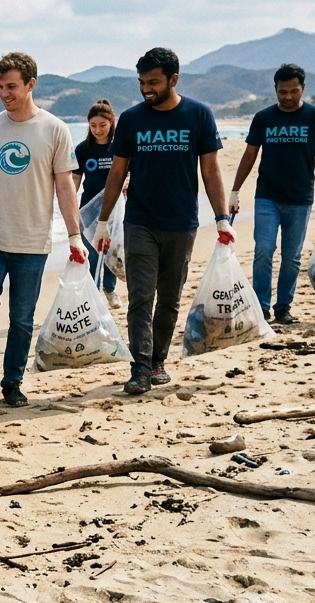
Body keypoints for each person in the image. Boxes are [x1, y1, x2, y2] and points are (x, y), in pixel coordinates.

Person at [0, 52, 85, 409]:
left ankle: (12, 383)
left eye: (11, 86)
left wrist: (74, 236)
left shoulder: (54, 129)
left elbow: (65, 186)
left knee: (22, 318)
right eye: (0, 87)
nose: (4, 93)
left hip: (33, 241)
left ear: (30, 85)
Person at [95, 47, 232, 395]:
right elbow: (117, 172)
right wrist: (102, 220)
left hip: (182, 222)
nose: (146, 89)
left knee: (169, 298)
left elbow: (211, 170)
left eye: (154, 82)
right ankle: (140, 368)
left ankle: (158, 361)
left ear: (173, 79)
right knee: (141, 297)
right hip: (139, 221)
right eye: (142, 82)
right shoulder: (132, 119)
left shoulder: (198, 115)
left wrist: (222, 218)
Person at [228, 63, 315, 324]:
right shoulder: (264, 118)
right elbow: (249, 156)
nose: (288, 97)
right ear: (275, 90)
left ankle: (283, 308)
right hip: (267, 195)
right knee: (264, 250)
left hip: (300, 197)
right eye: (282, 92)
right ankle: (261, 307)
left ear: (303, 88)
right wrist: (235, 191)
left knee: (292, 256)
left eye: (294, 91)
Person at [73, 99, 121, 308]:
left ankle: (110, 290)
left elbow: (130, 172)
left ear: (111, 122)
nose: (98, 130)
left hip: (116, 208)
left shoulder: (119, 146)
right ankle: (93, 297)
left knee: (112, 251)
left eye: (102, 125)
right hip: (88, 209)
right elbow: (75, 179)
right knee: (92, 254)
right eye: (93, 126)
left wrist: (129, 181)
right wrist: (69, 208)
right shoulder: (83, 149)